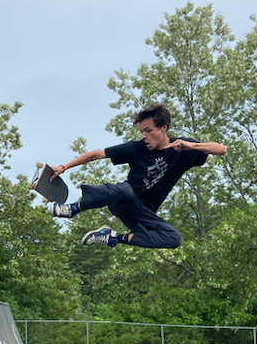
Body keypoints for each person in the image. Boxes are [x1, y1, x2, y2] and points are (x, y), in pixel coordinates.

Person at [49, 103, 227, 249]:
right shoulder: (135, 148)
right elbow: (96, 154)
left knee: (174, 238)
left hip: (143, 213)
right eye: (142, 131)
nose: (144, 136)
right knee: (126, 190)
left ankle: (113, 238)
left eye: (148, 131)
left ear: (163, 128)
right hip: (123, 200)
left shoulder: (182, 148)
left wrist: (192, 147)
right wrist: (64, 167)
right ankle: (72, 209)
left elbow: (221, 150)